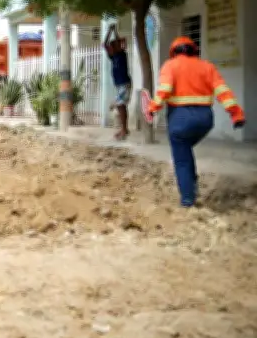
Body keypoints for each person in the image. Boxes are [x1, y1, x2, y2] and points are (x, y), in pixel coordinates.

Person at [148, 36, 246, 208]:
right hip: (205, 120)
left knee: (181, 157)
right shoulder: (207, 67)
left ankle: (187, 199)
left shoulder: (170, 65)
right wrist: (236, 115)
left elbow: (164, 90)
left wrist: (152, 108)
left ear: (173, 52)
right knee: (184, 149)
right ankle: (192, 182)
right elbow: (223, 91)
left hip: (180, 118)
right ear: (194, 50)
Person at [103, 25, 132, 140]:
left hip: (124, 83)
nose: (110, 48)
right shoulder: (113, 57)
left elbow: (119, 42)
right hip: (120, 84)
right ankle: (124, 129)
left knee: (119, 105)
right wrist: (109, 31)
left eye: (113, 46)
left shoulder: (122, 55)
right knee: (121, 106)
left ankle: (124, 129)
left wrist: (114, 31)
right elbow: (105, 44)